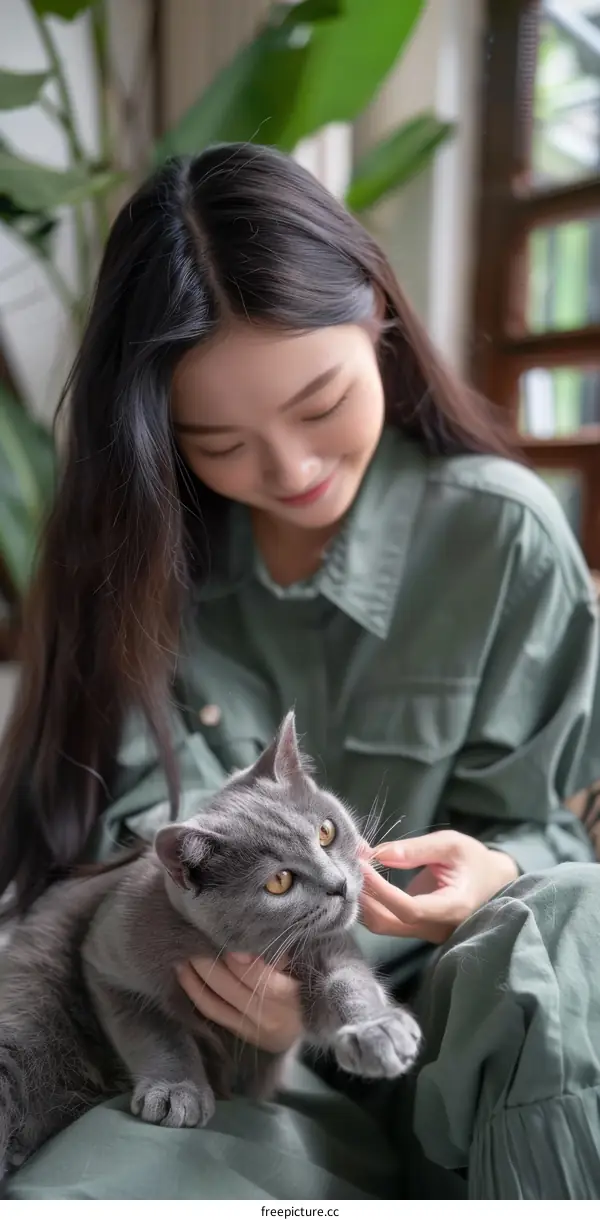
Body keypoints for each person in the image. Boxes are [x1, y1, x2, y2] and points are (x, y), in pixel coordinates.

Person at [1, 143, 599, 1200]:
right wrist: (246, 985)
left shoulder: (501, 537)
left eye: (321, 405)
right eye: (219, 441)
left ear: (377, 313)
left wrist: (497, 875)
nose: (291, 469)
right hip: (216, 1043)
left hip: (459, 1018)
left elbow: (542, 826)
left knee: (569, 915)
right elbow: (134, 846)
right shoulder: (142, 561)